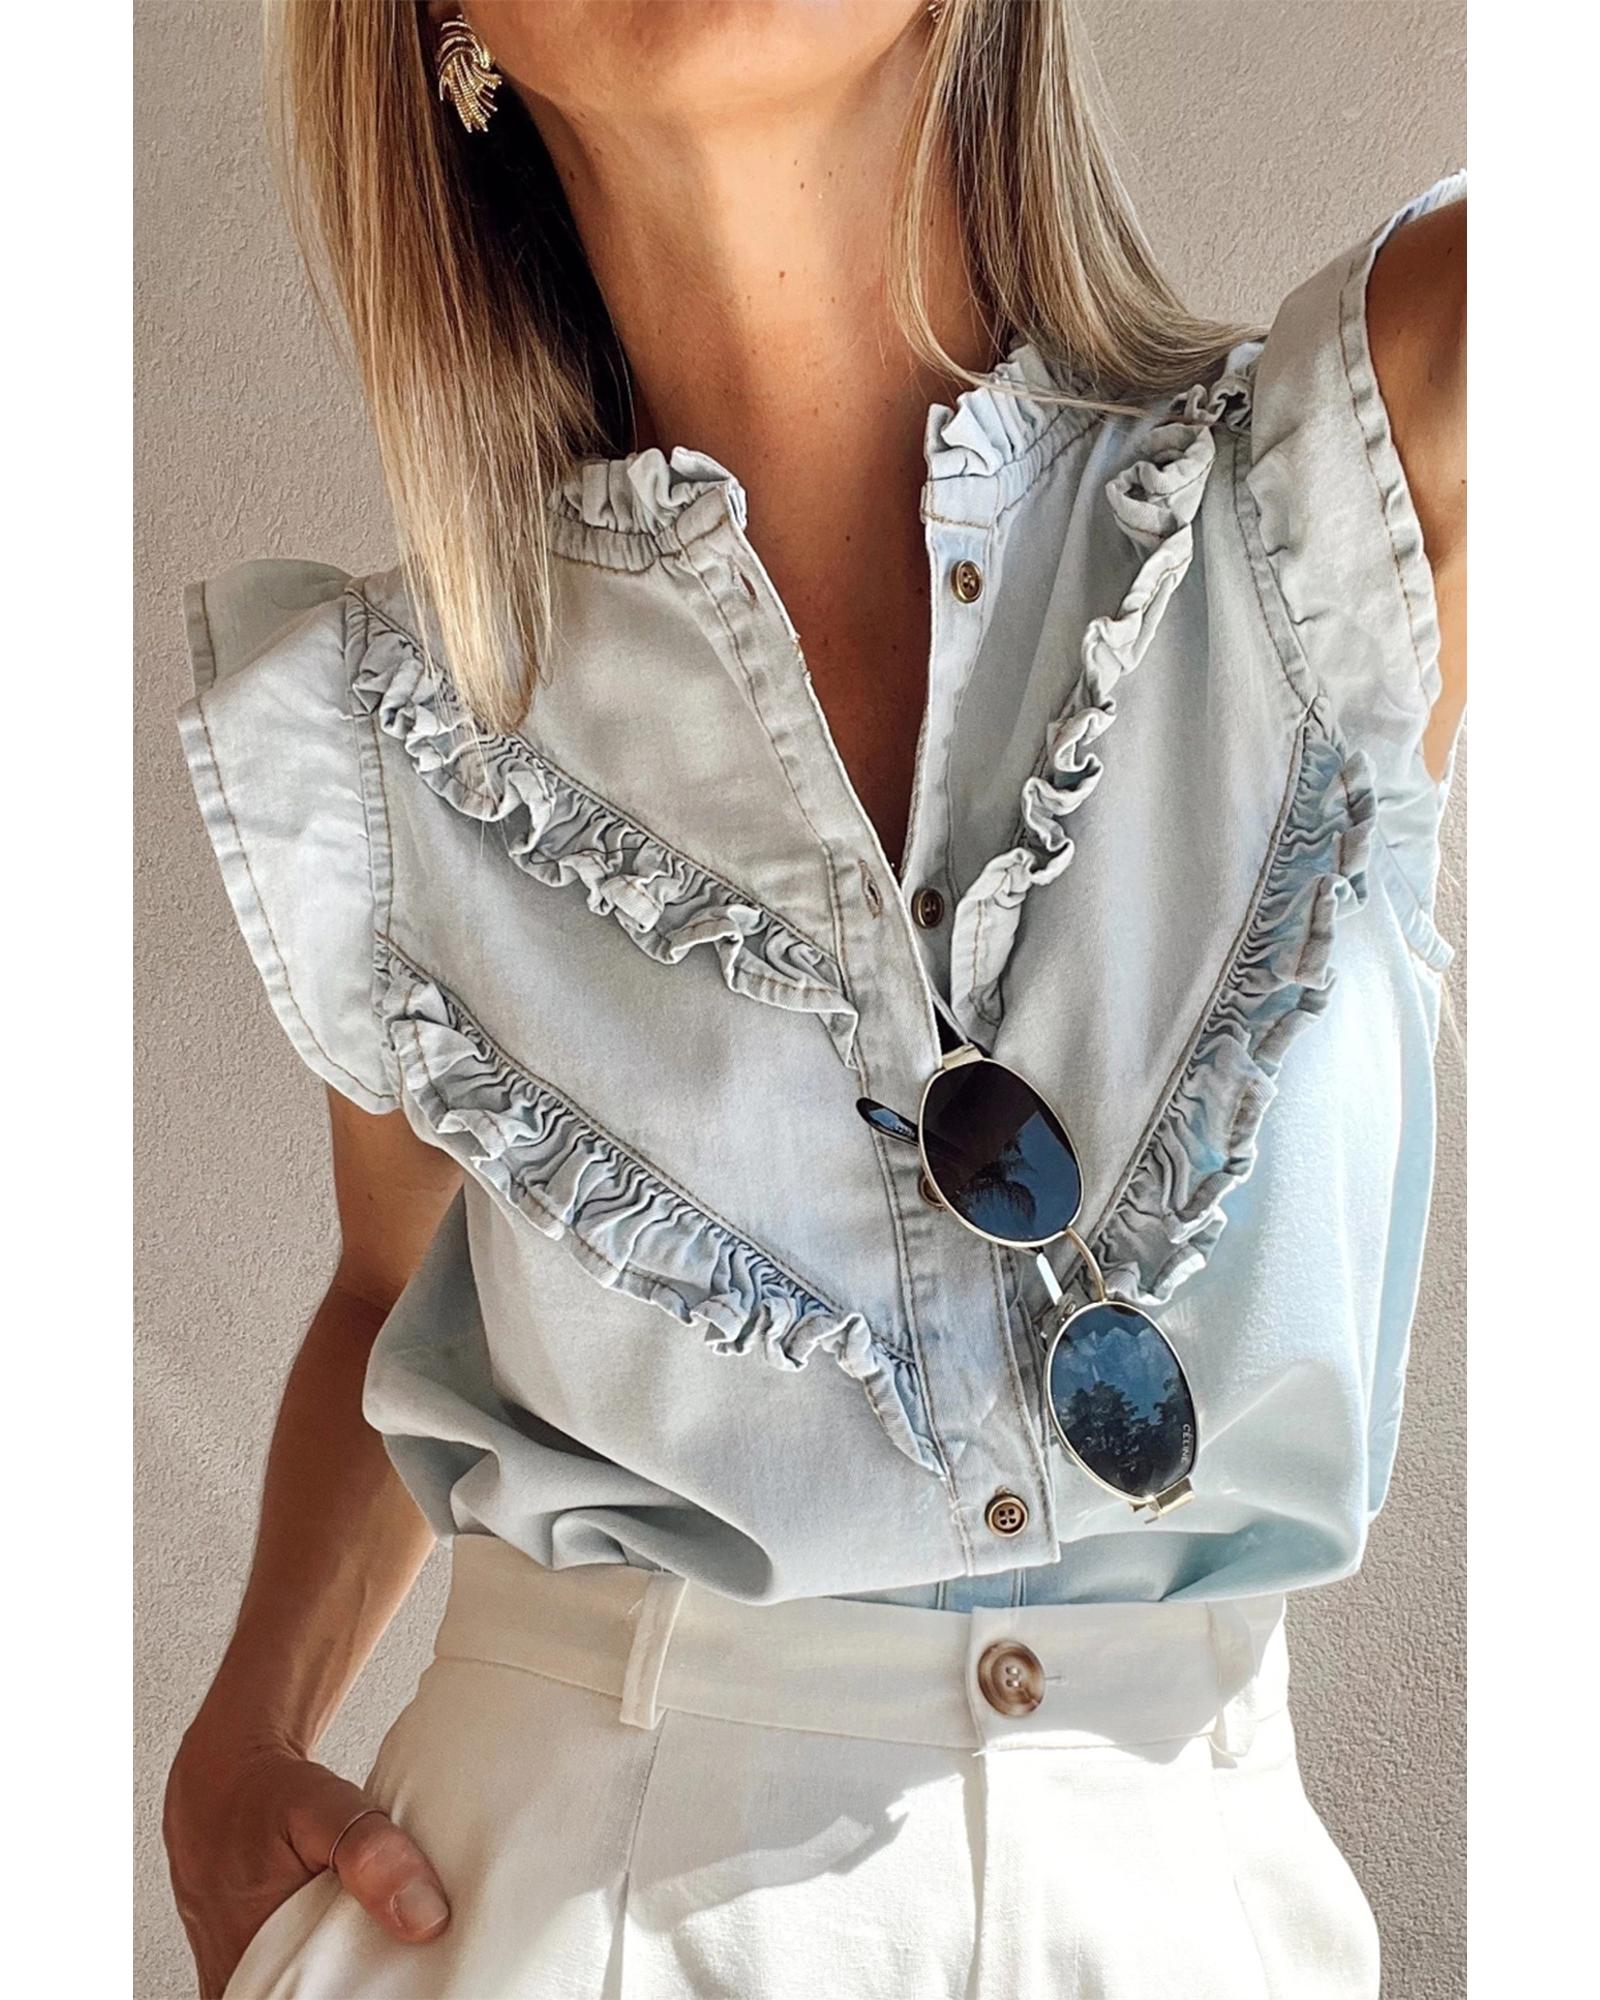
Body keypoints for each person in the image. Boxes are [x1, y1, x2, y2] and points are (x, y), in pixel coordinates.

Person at [161, 3, 1467, 1996]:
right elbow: (389, 1281)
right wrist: (243, 1729)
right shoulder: (392, 738)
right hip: (548, 1904)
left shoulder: (1355, 478)